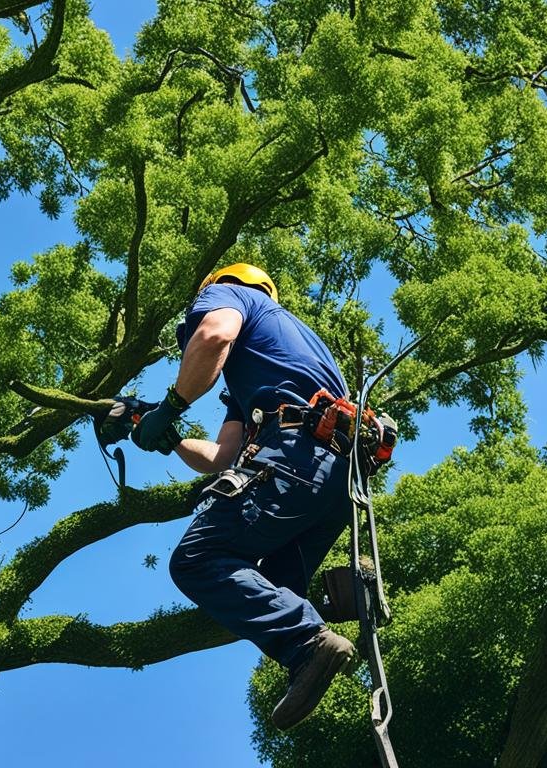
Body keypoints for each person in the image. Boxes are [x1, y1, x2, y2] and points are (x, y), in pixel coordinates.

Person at [130, 263, 357, 730]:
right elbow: (223, 457)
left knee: (198, 559)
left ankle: (311, 641)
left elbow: (212, 338)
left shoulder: (232, 297)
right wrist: (165, 434)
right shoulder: (278, 358)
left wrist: (170, 404)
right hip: (336, 478)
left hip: (294, 453)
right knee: (274, 586)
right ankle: (323, 625)